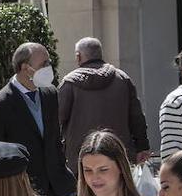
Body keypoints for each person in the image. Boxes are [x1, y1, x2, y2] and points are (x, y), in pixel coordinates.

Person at [0, 42, 76, 196]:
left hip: (59, 189)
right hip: (25, 195)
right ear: (26, 68)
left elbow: (55, 139)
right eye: (44, 64)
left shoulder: (50, 94)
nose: (49, 68)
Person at [57, 36, 152, 173]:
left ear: (78, 57)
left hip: (81, 160)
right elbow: (136, 117)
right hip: (119, 157)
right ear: (100, 54)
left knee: (84, 194)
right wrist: (142, 146)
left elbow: (56, 120)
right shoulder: (122, 79)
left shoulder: (69, 83)